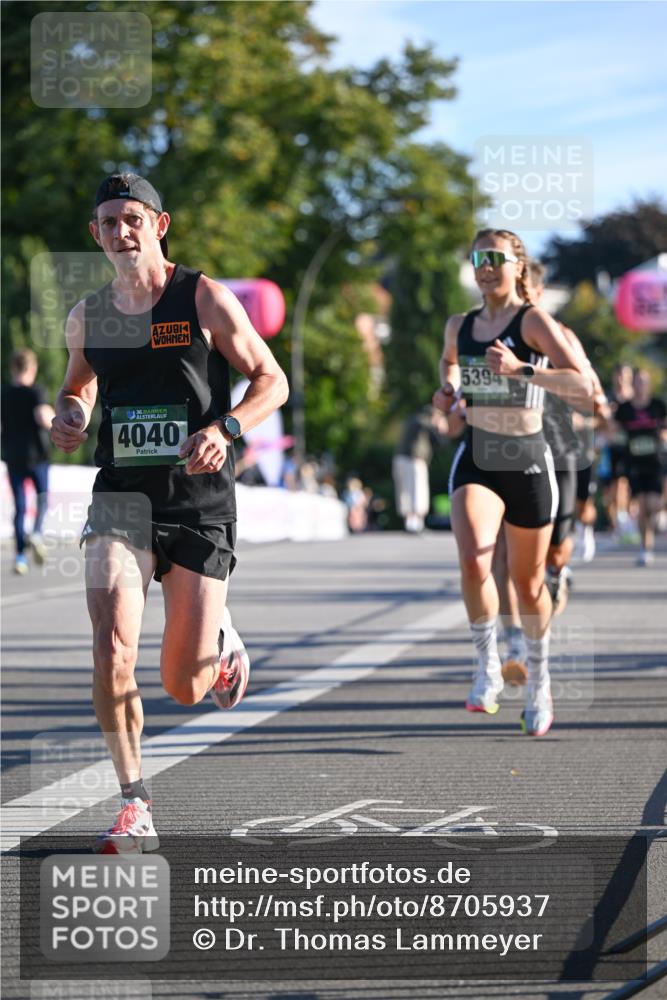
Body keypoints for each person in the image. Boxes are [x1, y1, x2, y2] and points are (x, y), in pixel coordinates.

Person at [50, 173, 289, 852]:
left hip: (198, 498)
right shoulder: (87, 315)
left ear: (160, 224)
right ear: (95, 235)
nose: (120, 232)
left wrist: (227, 429)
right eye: (107, 223)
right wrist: (71, 414)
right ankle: (135, 805)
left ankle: (219, 640)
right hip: (121, 494)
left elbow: (272, 379)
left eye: (132, 218)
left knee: (184, 686)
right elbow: (79, 386)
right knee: (110, 647)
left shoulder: (203, 296)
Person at [433, 229, 591, 737]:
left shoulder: (534, 322)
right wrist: (447, 392)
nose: (485, 267)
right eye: (477, 258)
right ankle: (487, 669)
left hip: (526, 460)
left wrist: (523, 369)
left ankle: (540, 680)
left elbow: (582, 383)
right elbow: (449, 365)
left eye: (495, 258)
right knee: (474, 557)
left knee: (527, 582)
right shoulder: (461, 325)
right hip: (477, 457)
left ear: (517, 266)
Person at [1, 348, 55, 574]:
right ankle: (37, 532)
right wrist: (55, 420)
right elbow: (43, 418)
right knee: (42, 498)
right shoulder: (36, 392)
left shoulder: (3, 393)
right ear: (32, 368)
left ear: (13, 368)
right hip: (38, 456)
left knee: (20, 507)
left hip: (13, 457)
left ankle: (20, 558)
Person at [614, 368, 666, 565]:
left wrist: (663, 436)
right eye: (637, 381)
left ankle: (659, 518)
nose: (640, 385)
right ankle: (646, 547)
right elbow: (615, 430)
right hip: (634, 463)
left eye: (644, 381)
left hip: (655, 462)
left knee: (653, 505)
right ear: (632, 384)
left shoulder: (658, 405)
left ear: (648, 384)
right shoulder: (625, 409)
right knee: (642, 507)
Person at [393, 405, 448, 533]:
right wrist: (441, 428)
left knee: (405, 490)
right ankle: (415, 522)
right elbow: (441, 442)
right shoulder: (423, 421)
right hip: (413, 459)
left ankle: (411, 522)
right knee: (417, 489)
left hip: (401, 458)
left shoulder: (412, 420)